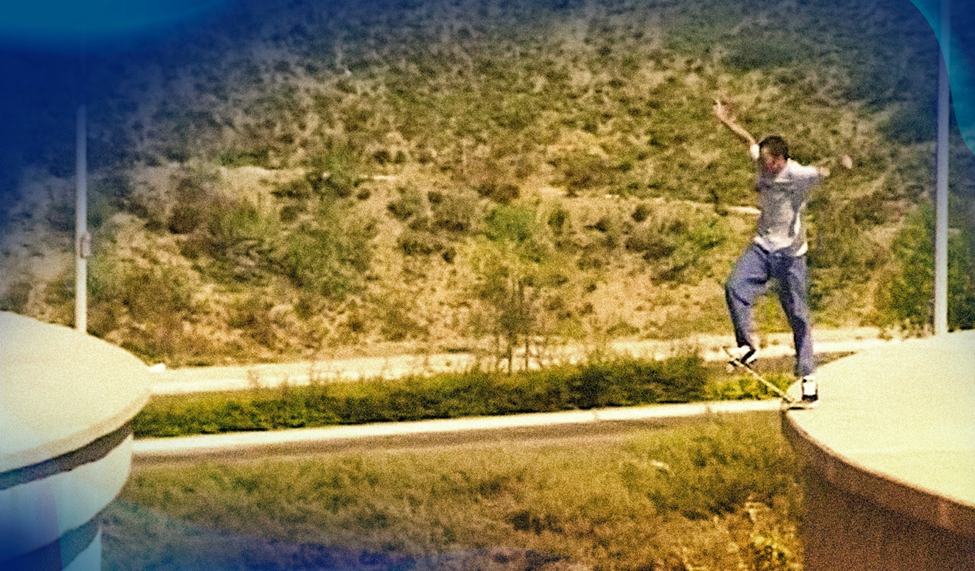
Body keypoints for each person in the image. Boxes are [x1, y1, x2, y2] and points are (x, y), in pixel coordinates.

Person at [713, 99, 849, 406]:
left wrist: (843, 165)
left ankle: (808, 379)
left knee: (798, 316)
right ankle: (746, 346)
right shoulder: (760, 158)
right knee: (735, 287)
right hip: (762, 248)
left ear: (781, 160)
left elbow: (825, 173)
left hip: (791, 255)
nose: (763, 166)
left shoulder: (798, 174)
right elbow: (747, 141)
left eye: (768, 162)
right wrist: (726, 121)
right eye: (761, 161)